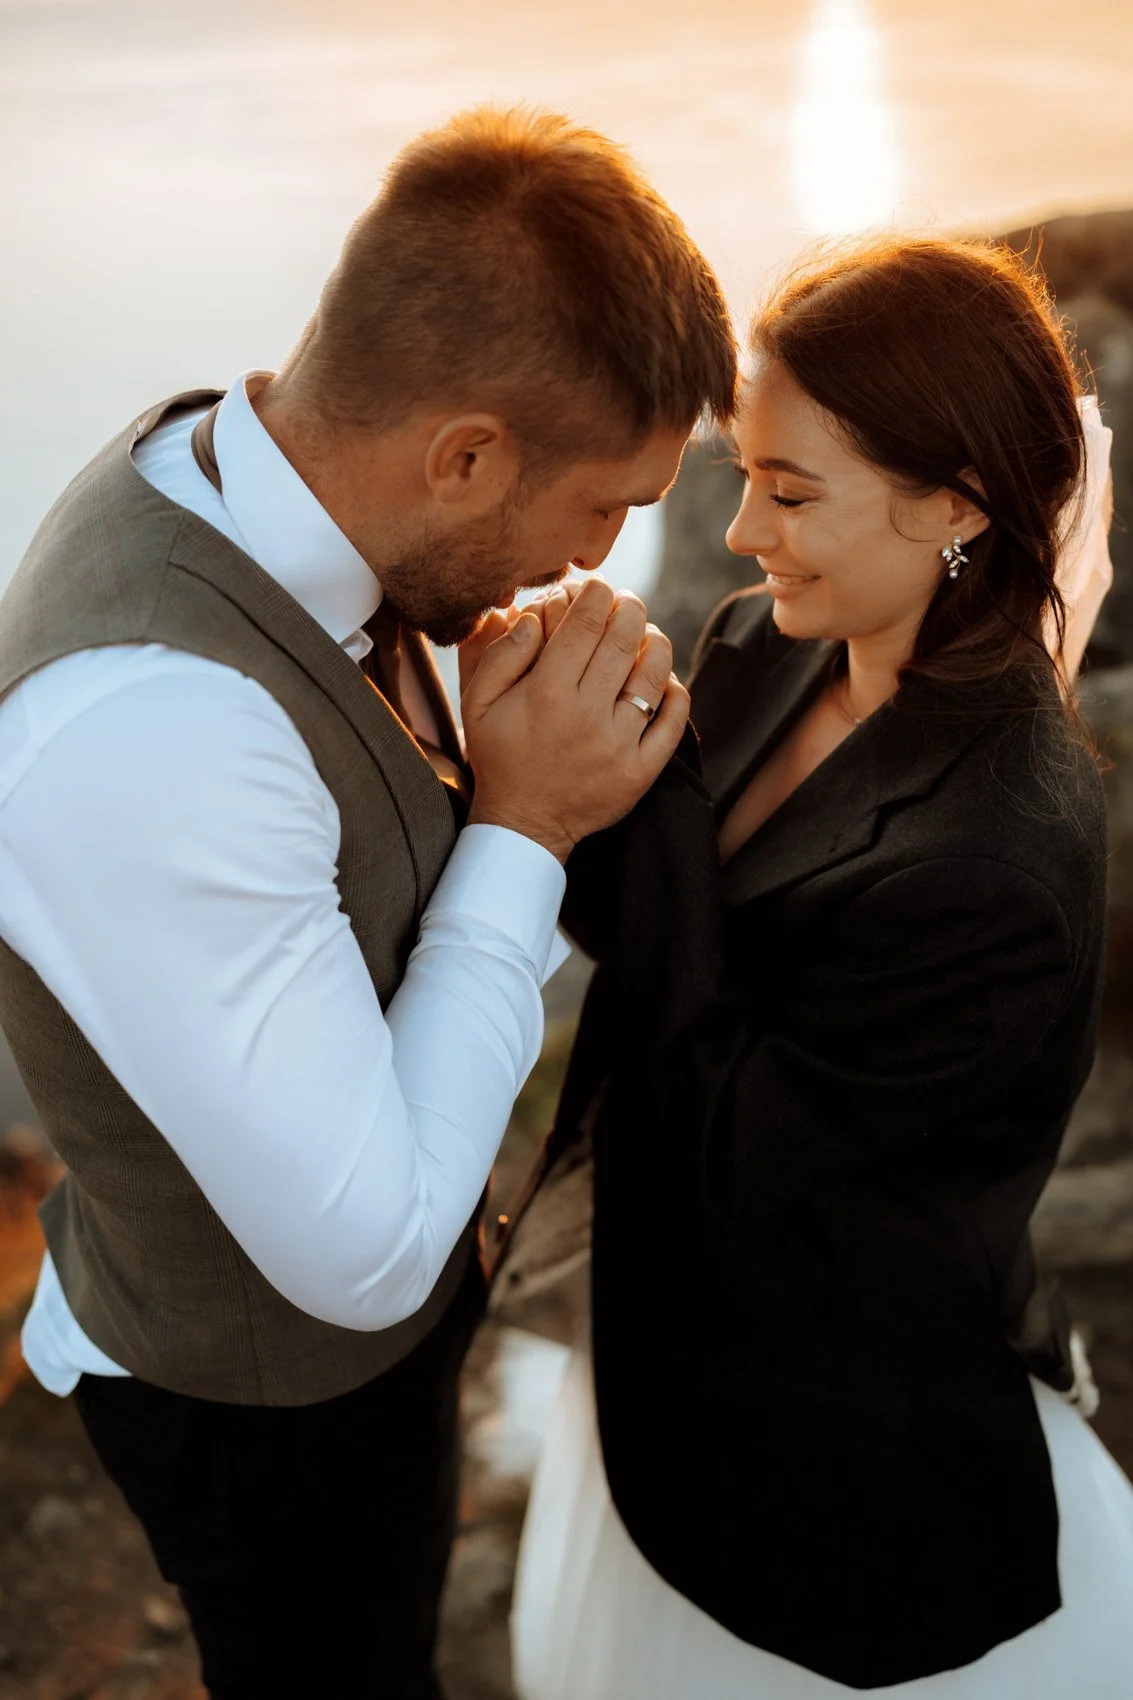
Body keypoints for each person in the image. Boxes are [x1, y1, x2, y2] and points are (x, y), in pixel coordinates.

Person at [0, 107, 736, 1698]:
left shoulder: (277, 476)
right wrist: (528, 821)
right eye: (600, 506)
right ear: (464, 452)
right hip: (265, 1415)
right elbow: (369, 1256)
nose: (590, 561)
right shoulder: (152, 723)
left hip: (355, 1368)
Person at [506, 237, 1133, 1697]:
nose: (737, 535)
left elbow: (742, 1154)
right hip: (673, 1362)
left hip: (831, 1454)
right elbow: (661, 898)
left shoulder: (995, 860)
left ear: (956, 504)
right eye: (746, 475)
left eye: (789, 493)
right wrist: (529, 719)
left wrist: (604, 802)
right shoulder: (767, 642)